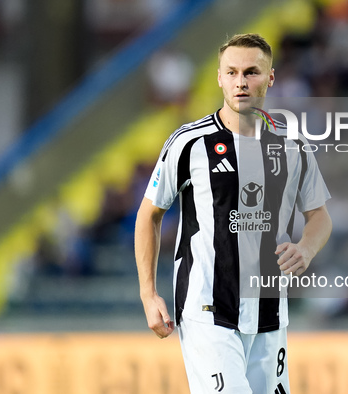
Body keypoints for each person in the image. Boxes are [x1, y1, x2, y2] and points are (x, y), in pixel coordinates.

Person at [135, 33, 332, 393]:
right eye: (233, 72)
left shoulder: (293, 146)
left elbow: (319, 216)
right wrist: (149, 295)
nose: (241, 81)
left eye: (252, 72)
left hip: (270, 314)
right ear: (219, 77)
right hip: (207, 310)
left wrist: (305, 248)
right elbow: (149, 214)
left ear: (270, 77)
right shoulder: (189, 143)